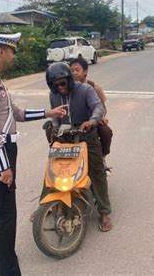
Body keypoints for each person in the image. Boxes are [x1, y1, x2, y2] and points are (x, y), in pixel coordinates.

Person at [0, 32, 66, 276]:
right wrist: (4, 166)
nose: (14, 56)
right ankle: (8, 271)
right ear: (1, 50)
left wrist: (48, 113)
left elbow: (16, 114)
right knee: (5, 216)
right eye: (12, 51)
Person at [45, 62, 113, 232]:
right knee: (53, 169)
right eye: (55, 85)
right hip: (65, 137)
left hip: (86, 136)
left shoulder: (85, 90)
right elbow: (54, 115)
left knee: (96, 172)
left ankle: (104, 212)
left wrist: (92, 121)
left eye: (62, 83)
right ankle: (46, 204)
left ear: (69, 79)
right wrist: (54, 126)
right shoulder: (53, 95)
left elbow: (98, 107)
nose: (60, 87)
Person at [70, 57, 113, 172]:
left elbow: (101, 107)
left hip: (92, 121)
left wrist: (100, 118)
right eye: (71, 70)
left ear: (85, 72)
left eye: (77, 70)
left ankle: (102, 156)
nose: (74, 73)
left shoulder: (95, 87)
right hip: (73, 122)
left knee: (106, 132)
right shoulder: (67, 88)